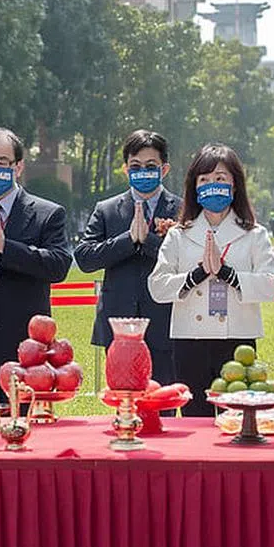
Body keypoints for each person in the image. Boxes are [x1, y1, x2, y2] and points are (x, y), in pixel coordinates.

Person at [148, 144, 274, 416]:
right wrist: (195, 275)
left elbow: (270, 286)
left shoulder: (254, 234)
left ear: (234, 184)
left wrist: (228, 274)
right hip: (189, 340)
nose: (212, 185)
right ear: (194, 186)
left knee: (238, 417)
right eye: (204, 179)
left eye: (220, 178)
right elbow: (157, 287)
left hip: (237, 340)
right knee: (196, 420)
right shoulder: (178, 234)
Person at [0, 127, 72, 397]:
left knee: (26, 422)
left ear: (18, 167)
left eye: (1, 163)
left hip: (26, 353)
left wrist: (6, 248)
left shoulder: (47, 213)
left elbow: (58, 265)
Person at [75, 130, 181, 385]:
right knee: (124, 395)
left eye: (150, 166)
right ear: (126, 169)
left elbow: (188, 260)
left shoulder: (181, 209)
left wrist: (149, 241)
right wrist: (128, 240)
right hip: (118, 322)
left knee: (164, 396)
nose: (143, 172)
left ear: (164, 169)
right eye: (136, 166)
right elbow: (85, 257)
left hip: (166, 322)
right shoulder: (107, 210)